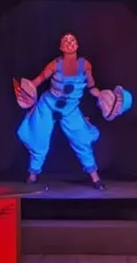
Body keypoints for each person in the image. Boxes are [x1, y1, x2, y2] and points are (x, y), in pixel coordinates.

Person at [15, 32, 109, 189]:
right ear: (61, 47)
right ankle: (32, 176)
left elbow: (91, 86)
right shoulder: (54, 64)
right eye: (65, 41)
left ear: (77, 45)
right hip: (48, 104)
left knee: (82, 140)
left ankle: (95, 177)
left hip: (70, 109)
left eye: (72, 40)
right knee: (40, 138)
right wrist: (26, 89)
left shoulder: (85, 65)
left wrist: (102, 96)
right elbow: (39, 80)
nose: (69, 43)